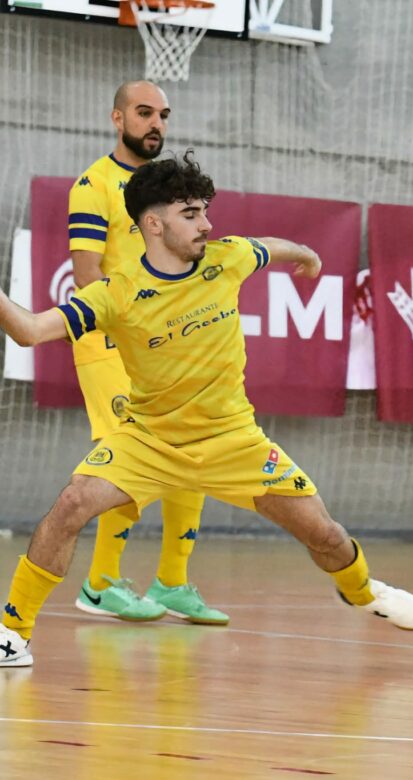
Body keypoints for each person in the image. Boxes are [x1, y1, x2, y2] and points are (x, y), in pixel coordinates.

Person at [0, 152, 413, 668]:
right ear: (153, 223)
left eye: (205, 210)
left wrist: (306, 254)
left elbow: (267, 248)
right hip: (149, 442)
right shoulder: (114, 294)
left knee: (325, 534)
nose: (207, 224)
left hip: (234, 442)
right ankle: (11, 633)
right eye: (191, 214)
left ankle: (364, 593)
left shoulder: (226, 257)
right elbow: (28, 331)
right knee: (71, 504)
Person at [67, 80, 224, 624]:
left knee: (192, 452)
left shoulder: (171, 190)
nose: (156, 122)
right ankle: (99, 584)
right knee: (132, 461)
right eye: (143, 112)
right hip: (109, 347)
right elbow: (88, 279)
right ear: (117, 118)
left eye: (163, 114)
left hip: (166, 350)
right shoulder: (93, 185)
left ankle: (173, 583)